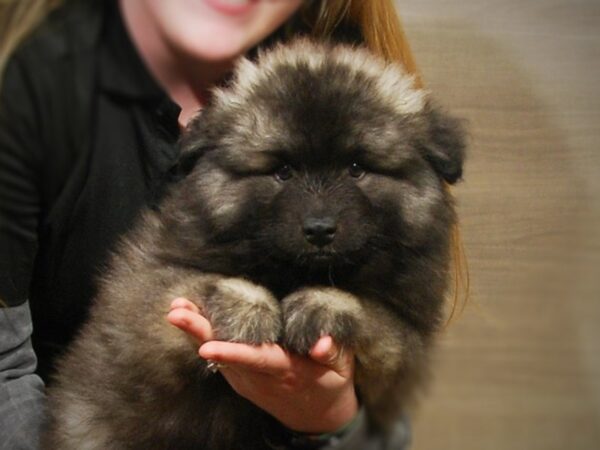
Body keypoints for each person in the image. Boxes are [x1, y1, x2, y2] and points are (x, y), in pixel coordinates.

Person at [0, 0, 450, 448]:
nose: (319, 215)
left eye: (355, 169)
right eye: (281, 171)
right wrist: (213, 300)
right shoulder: (33, 84)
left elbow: (389, 408)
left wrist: (332, 419)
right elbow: (9, 369)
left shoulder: (364, 83)